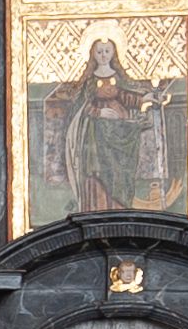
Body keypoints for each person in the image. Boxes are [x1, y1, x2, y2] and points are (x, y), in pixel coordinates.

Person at [53, 37, 174, 213]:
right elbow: (82, 105)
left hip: (120, 131)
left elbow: (125, 96)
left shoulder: (117, 77)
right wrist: (99, 112)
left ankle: (119, 211)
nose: (103, 55)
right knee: (97, 172)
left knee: (119, 172)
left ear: (113, 53)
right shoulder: (89, 80)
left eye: (107, 51)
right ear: (93, 54)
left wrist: (143, 99)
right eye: (99, 51)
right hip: (96, 135)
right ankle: (97, 211)